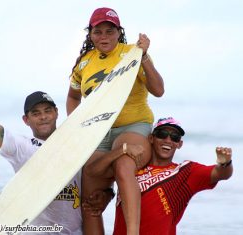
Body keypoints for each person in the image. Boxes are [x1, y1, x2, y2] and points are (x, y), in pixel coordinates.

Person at [0, 83, 113, 234]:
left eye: (47, 111)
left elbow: (99, 176)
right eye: (36, 113)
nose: (43, 117)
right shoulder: (22, 146)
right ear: (26, 120)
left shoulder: (76, 145)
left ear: (56, 113)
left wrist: (108, 194)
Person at [66, 7, 164, 235]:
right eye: (98, 32)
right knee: (90, 197)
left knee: (124, 162)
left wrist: (145, 56)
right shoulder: (83, 63)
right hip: (97, 132)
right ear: (90, 34)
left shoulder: (133, 54)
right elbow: (73, 97)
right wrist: (76, 125)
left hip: (133, 126)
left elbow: (158, 90)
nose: (104, 37)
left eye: (109, 31)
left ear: (119, 32)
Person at [86, 116, 233, 235]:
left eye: (174, 137)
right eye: (162, 134)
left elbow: (220, 174)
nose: (168, 140)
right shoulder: (132, 166)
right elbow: (92, 171)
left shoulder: (185, 172)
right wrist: (122, 150)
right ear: (151, 138)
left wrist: (225, 163)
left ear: (179, 144)